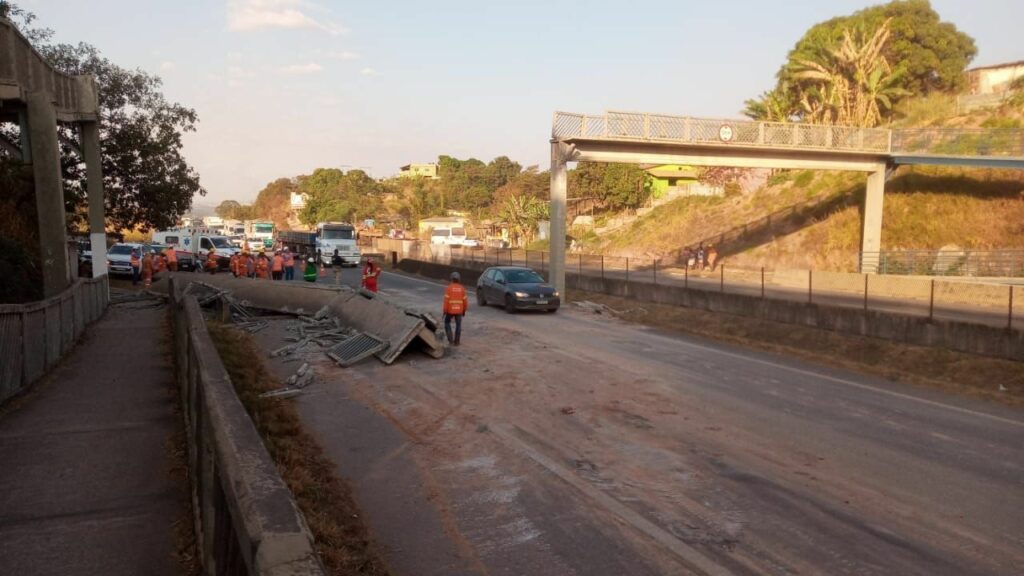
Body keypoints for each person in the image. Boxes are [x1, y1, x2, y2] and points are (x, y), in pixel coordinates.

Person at [443, 271, 468, 346]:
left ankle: (450, 340)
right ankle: (457, 342)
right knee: (458, 325)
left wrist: (445, 311)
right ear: (459, 279)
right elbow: (465, 301)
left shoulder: (449, 288)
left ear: (451, 279)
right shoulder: (462, 289)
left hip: (450, 310)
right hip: (459, 310)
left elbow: (446, 301)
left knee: (447, 323)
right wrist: (464, 310)